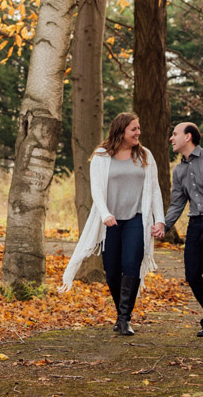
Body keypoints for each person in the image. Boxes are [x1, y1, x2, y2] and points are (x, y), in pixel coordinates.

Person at [60, 112, 165, 336]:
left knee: (131, 264)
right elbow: (96, 189)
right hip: (111, 221)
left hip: (137, 218)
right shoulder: (101, 155)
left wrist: (160, 221)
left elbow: (154, 189)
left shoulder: (145, 155)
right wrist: (105, 213)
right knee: (112, 271)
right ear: (121, 131)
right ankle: (121, 314)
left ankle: (125, 319)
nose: (138, 133)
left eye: (138, 128)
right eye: (134, 129)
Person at [151, 122, 203, 338]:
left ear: (188, 137)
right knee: (192, 274)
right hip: (195, 225)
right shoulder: (179, 170)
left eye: (175, 134)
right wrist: (164, 225)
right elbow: (178, 203)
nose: (171, 138)